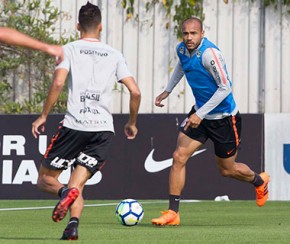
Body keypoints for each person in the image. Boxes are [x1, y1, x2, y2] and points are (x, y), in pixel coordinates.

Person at [31, 2, 141, 240]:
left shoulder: (68, 49)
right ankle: (72, 225)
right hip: (103, 131)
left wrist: (43, 116)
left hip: (74, 126)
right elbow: (135, 92)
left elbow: (59, 83)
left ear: (77, 26)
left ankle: (63, 193)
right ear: (100, 27)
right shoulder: (114, 54)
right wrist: (132, 122)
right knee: (76, 183)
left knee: (45, 180)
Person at [151, 16, 269, 226]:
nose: (189, 37)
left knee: (227, 170)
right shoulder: (181, 49)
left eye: (193, 33)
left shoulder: (209, 54)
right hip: (201, 115)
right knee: (179, 156)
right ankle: (173, 213)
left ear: (202, 34)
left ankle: (259, 181)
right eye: (185, 33)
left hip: (224, 118)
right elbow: (181, 66)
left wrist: (200, 114)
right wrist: (167, 90)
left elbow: (225, 88)